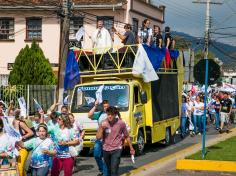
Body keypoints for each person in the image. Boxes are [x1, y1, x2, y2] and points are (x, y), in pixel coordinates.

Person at [96, 106, 135, 176]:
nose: (110, 116)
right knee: (109, 170)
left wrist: (131, 148)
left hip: (117, 149)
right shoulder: (103, 123)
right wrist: (102, 128)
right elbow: (98, 137)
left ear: (115, 114)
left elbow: (127, 136)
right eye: (108, 114)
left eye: (111, 114)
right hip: (106, 149)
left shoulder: (121, 123)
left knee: (114, 170)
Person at [88, 100, 109, 176]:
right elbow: (89, 115)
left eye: (107, 106)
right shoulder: (100, 114)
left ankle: (105, 173)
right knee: (96, 155)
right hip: (99, 139)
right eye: (104, 106)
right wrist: (95, 106)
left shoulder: (112, 114)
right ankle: (102, 170)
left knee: (106, 158)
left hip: (108, 140)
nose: (106, 108)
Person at [13, 109, 34, 176]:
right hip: (17, 147)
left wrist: (22, 137)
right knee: (19, 166)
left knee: (20, 166)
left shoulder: (21, 123)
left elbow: (31, 133)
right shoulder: (13, 122)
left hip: (23, 146)